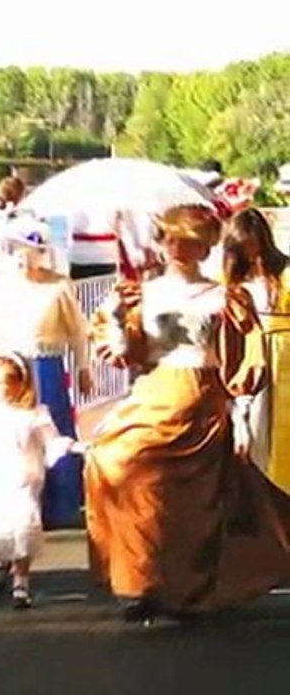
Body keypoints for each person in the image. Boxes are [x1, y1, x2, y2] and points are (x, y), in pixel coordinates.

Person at [87, 204, 290, 624]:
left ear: (205, 245)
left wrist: (242, 409)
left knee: (192, 501)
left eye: (189, 241)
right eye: (170, 239)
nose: (177, 248)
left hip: (201, 395)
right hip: (156, 389)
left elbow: (241, 361)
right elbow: (128, 354)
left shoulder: (224, 298)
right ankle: (138, 580)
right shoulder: (143, 293)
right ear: (161, 243)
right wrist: (118, 319)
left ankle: (185, 585)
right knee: (113, 463)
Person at [0, 214, 92, 529]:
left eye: (30, 250)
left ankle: (59, 504)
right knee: (12, 436)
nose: (24, 257)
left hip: (47, 364)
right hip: (9, 367)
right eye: (17, 250)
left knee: (51, 428)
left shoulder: (59, 286)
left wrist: (83, 367)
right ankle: (14, 500)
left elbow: (77, 330)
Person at [0, 353, 82, 609]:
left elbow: (52, 441)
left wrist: (72, 447)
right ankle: (0, 562)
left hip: (26, 482)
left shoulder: (35, 415)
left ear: (20, 384)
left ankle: (21, 580)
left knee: (24, 527)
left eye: (2, 383)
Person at [221, 208, 290, 492]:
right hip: (251, 359)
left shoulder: (285, 271)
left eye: (253, 243)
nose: (250, 252)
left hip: (284, 355)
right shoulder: (232, 283)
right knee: (254, 430)